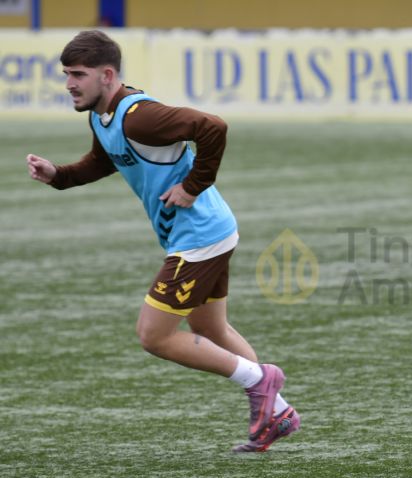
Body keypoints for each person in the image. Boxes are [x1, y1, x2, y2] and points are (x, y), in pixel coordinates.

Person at [25, 30, 299, 453]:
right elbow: (103, 161)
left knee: (154, 335)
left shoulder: (140, 116)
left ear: (108, 74)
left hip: (200, 236)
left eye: (78, 74)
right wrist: (58, 175)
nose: (69, 84)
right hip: (204, 232)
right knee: (210, 327)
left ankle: (261, 382)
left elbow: (213, 127)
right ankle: (276, 413)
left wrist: (192, 186)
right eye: (66, 74)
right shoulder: (103, 117)